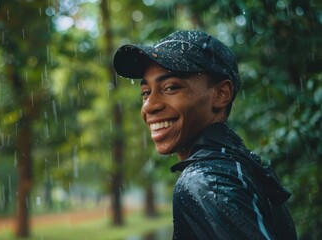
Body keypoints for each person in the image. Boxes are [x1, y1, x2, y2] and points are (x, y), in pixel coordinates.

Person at [113, 30, 296, 239]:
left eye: (171, 87)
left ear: (221, 94)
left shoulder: (205, 181)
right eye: (146, 93)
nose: (149, 106)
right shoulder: (238, 165)